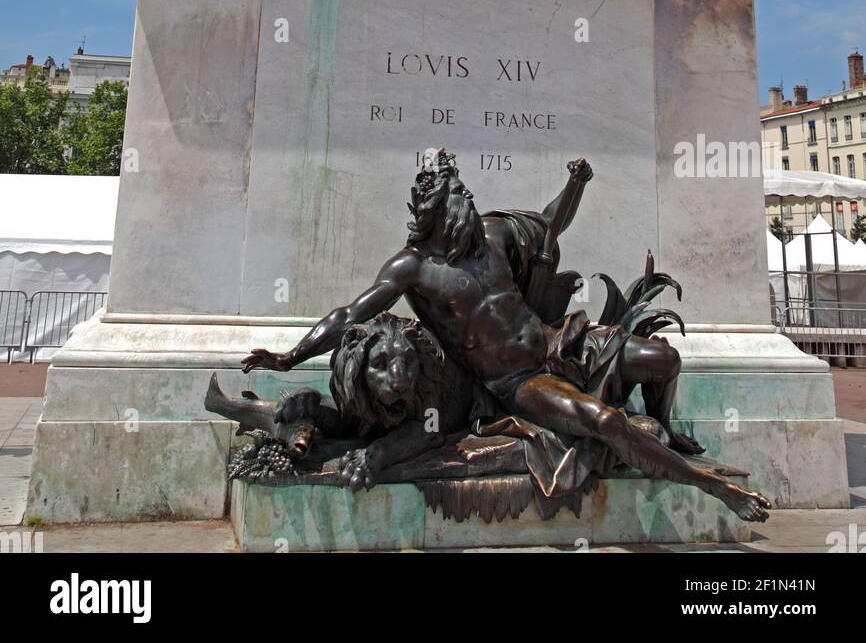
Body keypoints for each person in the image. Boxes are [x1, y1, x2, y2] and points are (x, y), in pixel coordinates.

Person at [244, 149, 770, 521]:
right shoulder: (412, 270)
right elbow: (348, 315)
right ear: (433, 214)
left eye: (466, 194)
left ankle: (665, 432)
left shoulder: (494, 233)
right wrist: (291, 356)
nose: (467, 204)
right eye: (456, 198)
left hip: (560, 340)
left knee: (663, 360)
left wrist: (576, 184)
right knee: (603, 420)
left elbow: (549, 223)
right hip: (518, 382)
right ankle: (711, 486)